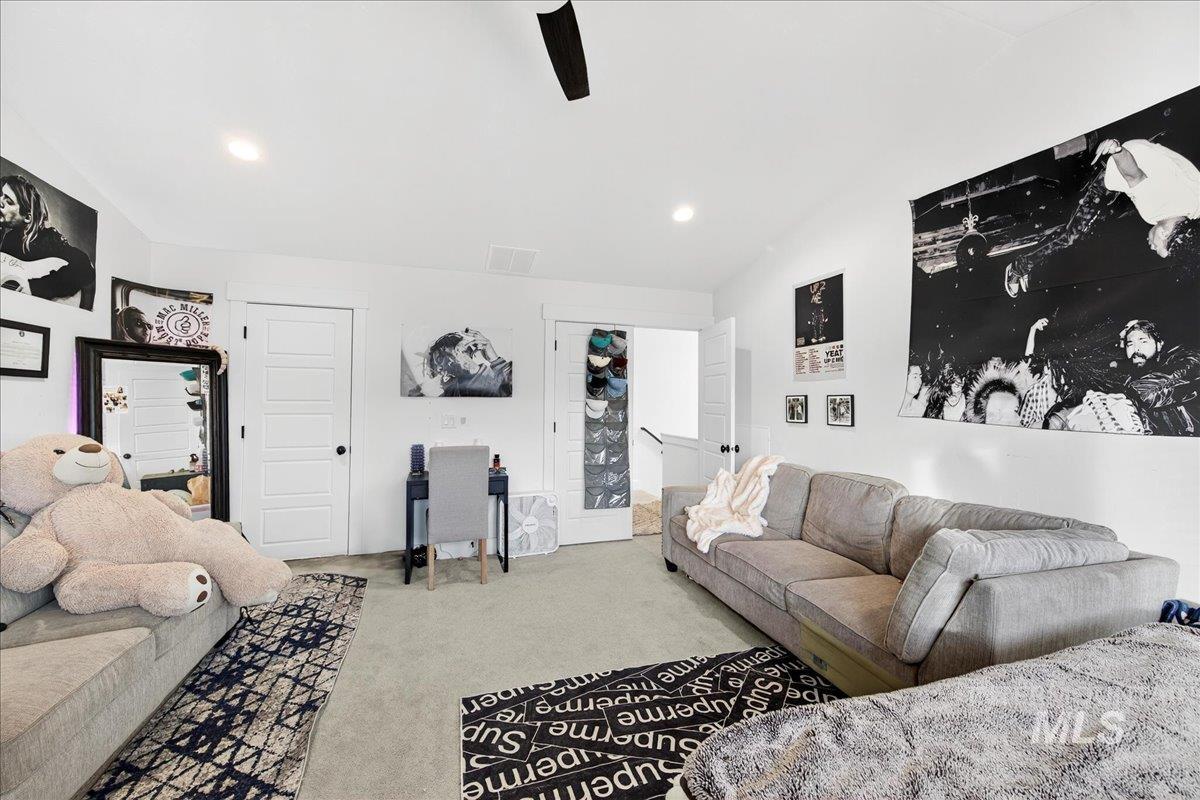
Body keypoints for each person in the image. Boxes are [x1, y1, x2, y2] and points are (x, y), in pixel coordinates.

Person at [0, 174, 96, 308]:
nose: (0, 201)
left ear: (27, 217)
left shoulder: (47, 238)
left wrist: (35, 288)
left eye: (9, 201)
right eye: (1, 195)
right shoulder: (9, 238)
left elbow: (84, 266)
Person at [1094, 139, 1200, 258]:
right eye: (1156, 247)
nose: (1151, 247)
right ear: (1163, 233)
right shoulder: (1154, 211)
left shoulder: (1196, 210)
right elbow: (1133, 176)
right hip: (1133, 153)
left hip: (1156, 149)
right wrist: (1117, 151)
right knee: (1110, 184)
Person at [1118, 319, 1200, 436]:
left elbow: (1147, 394)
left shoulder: (1185, 359)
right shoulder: (1129, 379)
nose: (1136, 349)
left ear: (1159, 344)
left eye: (1143, 341)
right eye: (1129, 344)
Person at [418, 328, 512, 398]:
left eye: (439, 359)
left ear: (459, 349)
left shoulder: (500, 381)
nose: (438, 369)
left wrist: (495, 359)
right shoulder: (452, 392)